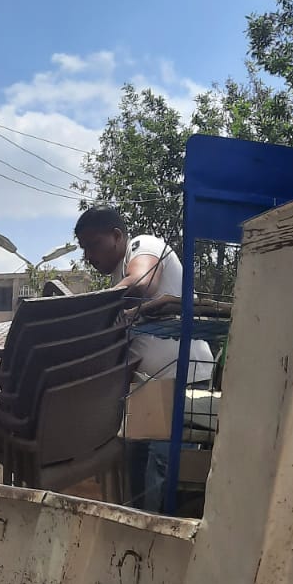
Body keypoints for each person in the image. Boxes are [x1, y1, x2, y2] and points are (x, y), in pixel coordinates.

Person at [74, 207, 213, 514]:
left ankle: (159, 533)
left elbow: (143, 281)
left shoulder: (142, 245)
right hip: (146, 389)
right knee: (135, 467)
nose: (89, 256)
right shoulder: (118, 279)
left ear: (117, 236)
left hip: (181, 380)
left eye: (94, 245)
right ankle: (139, 529)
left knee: (163, 471)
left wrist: (88, 307)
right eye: (84, 250)